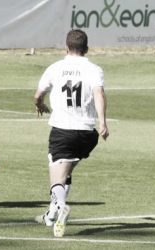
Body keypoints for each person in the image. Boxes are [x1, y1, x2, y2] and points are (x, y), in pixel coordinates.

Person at [34, 29, 109, 237]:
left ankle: (61, 207)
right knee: (66, 174)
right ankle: (51, 215)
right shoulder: (94, 69)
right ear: (86, 49)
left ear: (66, 48)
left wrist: (39, 104)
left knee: (56, 181)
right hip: (87, 134)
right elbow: (99, 94)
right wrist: (102, 122)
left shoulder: (55, 68)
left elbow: (38, 94)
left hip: (62, 132)